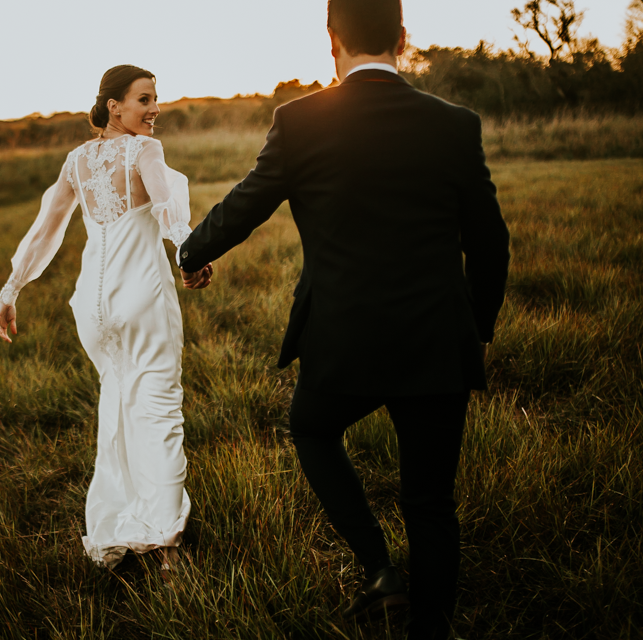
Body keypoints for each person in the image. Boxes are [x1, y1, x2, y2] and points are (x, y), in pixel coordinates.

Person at [177, 0, 510, 637]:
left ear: (332, 40)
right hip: (438, 342)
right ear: (403, 39)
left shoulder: (302, 121)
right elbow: (490, 242)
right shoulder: (453, 124)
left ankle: (380, 569)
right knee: (431, 502)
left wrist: (192, 251)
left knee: (311, 429)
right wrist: (478, 328)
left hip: (343, 342)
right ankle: (431, 628)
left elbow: (248, 203)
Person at [0, 65, 212, 571]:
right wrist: (188, 255)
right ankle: (167, 548)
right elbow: (168, 212)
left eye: (156, 99)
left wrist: (12, 289)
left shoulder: (76, 161)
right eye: (144, 99)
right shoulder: (145, 151)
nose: (154, 108)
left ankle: (123, 521)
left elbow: (45, 228)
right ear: (114, 106)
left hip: (93, 307)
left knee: (118, 407)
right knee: (158, 413)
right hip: (140, 295)